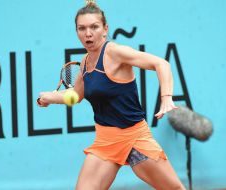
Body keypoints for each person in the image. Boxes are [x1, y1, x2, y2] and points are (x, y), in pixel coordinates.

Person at [38, 1, 186, 189]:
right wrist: (50, 98)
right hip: (105, 140)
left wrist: (166, 98)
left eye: (94, 27)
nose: (88, 33)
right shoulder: (84, 62)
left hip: (134, 137)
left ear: (105, 29)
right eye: (81, 28)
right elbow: (76, 96)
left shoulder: (115, 52)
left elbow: (161, 64)